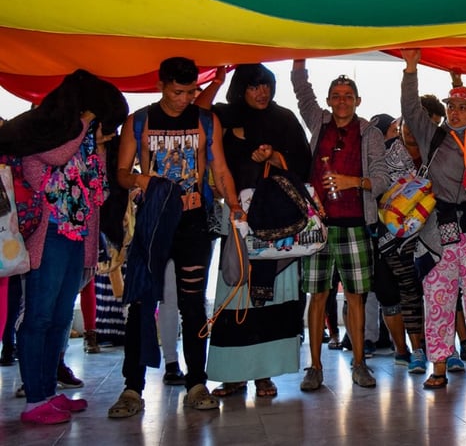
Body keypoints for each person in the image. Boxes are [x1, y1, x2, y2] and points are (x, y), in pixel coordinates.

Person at [110, 57, 242, 418]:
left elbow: (220, 168)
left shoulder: (205, 121)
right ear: (161, 85)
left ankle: (196, 383)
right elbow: (121, 173)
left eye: (190, 92)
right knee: (141, 303)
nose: (185, 99)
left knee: (192, 304)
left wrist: (235, 207)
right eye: (177, 92)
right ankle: (131, 389)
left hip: (194, 221)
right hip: (152, 222)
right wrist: (143, 181)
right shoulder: (138, 122)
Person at [0, 69, 127, 424]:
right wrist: (84, 126)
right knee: (38, 317)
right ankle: (34, 400)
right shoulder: (39, 133)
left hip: (75, 239)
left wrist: (99, 147)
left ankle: (48, 392)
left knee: (58, 318)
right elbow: (51, 165)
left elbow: (98, 192)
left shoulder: (86, 142)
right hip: (49, 234)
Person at [203, 63, 312, 399]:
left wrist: (277, 157)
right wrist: (216, 80)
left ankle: (265, 374)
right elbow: (195, 118)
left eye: (267, 85)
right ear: (241, 89)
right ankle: (234, 374)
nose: (262, 92)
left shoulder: (285, 118)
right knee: (234, 289)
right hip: (237, 215)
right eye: (254, 86)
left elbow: (305, 163)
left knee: (276, 294)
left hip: (280, 220)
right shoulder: (223, 115)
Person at [400, 48, 466, 390]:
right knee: (438, 299)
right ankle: (438, 367)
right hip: (439, 232)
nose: (455, 112)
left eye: (462, 107)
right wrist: (411, 69)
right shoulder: (433, 136)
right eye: (451, 107)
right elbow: (410, 110)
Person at [291, 60, 389, 390]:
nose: (342, 100)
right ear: (329, 100)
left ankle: (360, 363)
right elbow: (302, 92)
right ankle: (314, 367)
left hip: (356, 224)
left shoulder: (370, 133)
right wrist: (299, 59)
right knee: (317, 296)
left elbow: (382, 179)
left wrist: (352, 182)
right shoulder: (318, 122)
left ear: (358, 101)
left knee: (357, 297)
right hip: (317, 225)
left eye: (348, 95)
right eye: (336, 95)